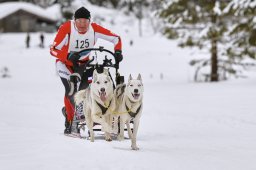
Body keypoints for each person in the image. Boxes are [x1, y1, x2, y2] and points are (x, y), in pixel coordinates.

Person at [50, 7, 123, 135]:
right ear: (74, 20)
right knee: (71, 89)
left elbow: (116, 38)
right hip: (65, 64)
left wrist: (117, 51)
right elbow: (53, 49)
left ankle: (87, 114)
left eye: (85, 21)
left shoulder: (94, 29)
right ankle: (70, 120)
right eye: (79, 21)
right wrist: (66, 56)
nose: (82, 25)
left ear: (89, 21)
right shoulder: (67, 28)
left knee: (85, 91)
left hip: (84, 64)